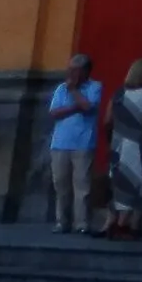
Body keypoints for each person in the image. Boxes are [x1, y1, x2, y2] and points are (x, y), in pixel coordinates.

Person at [46, 54, 102, 236]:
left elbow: (88, 107)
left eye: (74, 70)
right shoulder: (60, 88)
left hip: (83, 143)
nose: (70, 73)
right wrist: (74, 106)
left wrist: (74, 92)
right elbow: (54, 113)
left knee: (82, 185)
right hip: (60, 143)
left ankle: (82, 223)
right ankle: (62, 222)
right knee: (60, 184)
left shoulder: (95, 87)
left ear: (85, 70)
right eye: (69, 69)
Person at [105, 61, 142, 237]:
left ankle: (117, 223)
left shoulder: (118, 94)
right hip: (138, 145)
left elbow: (107, 121)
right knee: (141, 184)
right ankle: (125, 225)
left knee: (120, 183)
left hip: (118, 144)